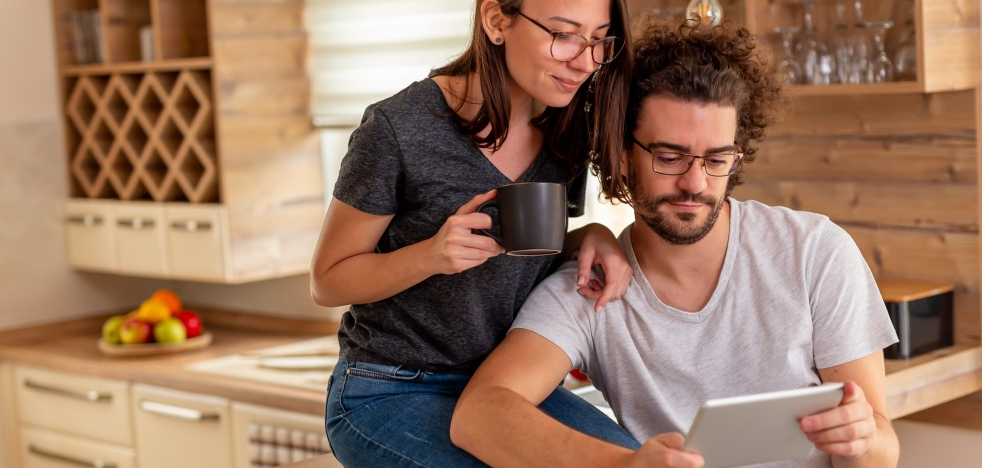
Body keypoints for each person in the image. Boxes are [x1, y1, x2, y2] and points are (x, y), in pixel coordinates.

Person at [451, 20, 900, 468]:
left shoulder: (815, 252)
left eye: (717, 159)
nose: (695, 183)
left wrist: (861, 440)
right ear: (622, 156)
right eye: (669, 157)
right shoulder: (591, 289)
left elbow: (881, 447)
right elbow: (478, 413)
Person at [311, 1, 642, 467]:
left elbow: (526, 246)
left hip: (503, 386)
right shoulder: (398, 128)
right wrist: (430, 255)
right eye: (565, 34)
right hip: (387, 388)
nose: (586, 60)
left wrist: (591, 233)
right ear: (495, 21)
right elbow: (327, 280)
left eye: (599, 39)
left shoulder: (568, 129)